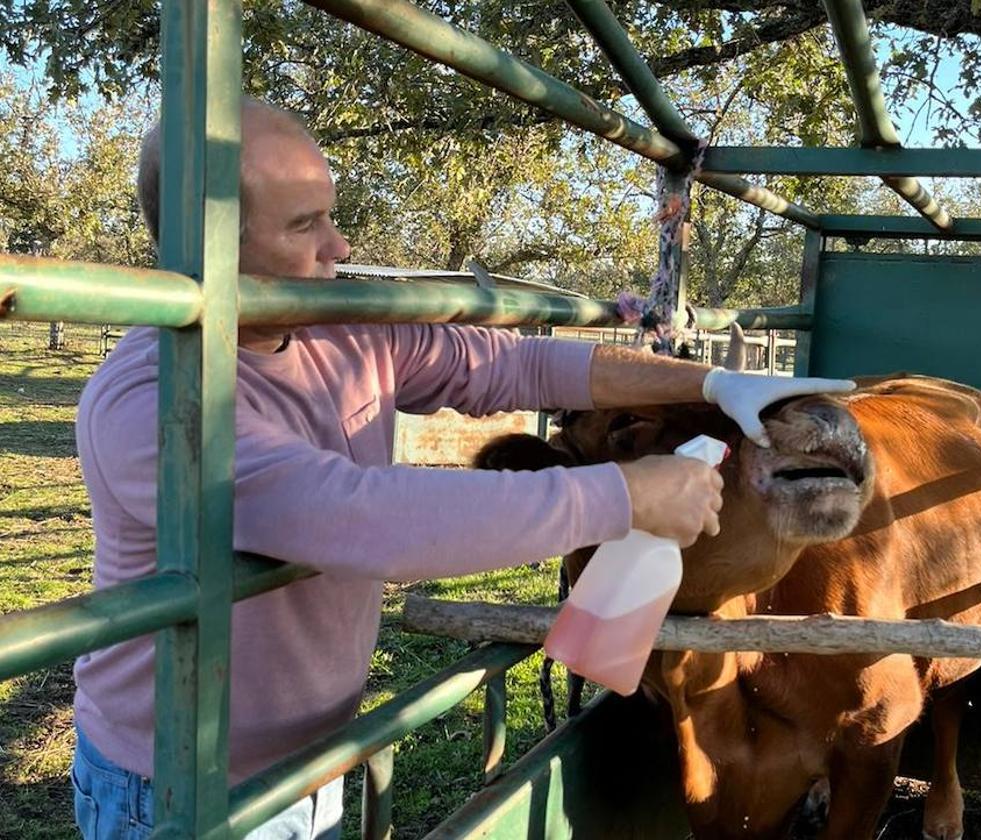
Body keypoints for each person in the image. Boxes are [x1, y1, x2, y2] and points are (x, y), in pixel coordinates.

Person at [70, 97, 852, 839]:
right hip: (179, 784)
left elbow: (522, 367)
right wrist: (622, 495)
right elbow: (361, 517)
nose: (338, 248)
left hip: (313, 756)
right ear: (199, 246)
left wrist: (710, 383)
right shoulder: (155, 403)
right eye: (305, 224)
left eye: (331, 216)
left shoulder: (340, 327)